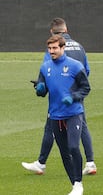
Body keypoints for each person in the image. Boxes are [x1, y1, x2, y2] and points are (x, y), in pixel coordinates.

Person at [22, 17, 97, 175]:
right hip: (77, 93)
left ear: (52, 32)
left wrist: (42, 86)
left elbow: (46, 74)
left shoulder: (53, 49)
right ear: (66, 29)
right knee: (82, 125)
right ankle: (90, 162)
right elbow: (87, 71)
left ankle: (41, 163)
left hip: (59, 98)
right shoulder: (79, 46)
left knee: (50, 127)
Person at [35, 34, 90, 195]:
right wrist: (40, 90)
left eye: (54, 48)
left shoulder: (75, 66)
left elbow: (86, 88)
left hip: (74, 113)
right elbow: (42, 88)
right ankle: (74, 185)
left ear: (62, 48)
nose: (52, 51)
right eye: (49, 48)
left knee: (73, 146)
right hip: (55, 116)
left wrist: (72, 97)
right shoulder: (45, 67)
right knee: (64, 152)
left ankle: (79, 183)